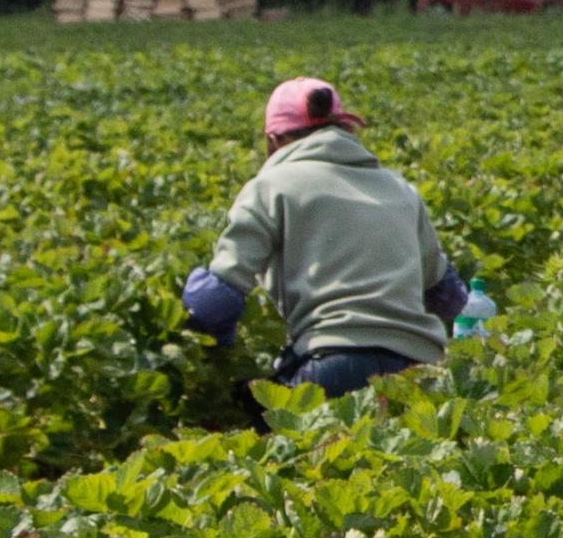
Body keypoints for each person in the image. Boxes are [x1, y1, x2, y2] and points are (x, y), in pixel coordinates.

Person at [182, 77, 469, 397]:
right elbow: (447, 296)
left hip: (333, 367)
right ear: (344, 128)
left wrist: (212, 348)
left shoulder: (271, 186)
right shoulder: (399, 187)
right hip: (422, 372)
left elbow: (216, 299)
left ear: (275, 139)